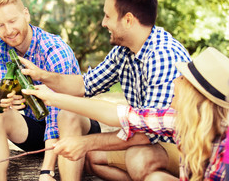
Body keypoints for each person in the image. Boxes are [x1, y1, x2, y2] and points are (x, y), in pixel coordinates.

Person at [18, 0, 192, 180]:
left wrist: (84, 142)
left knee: (139, 158)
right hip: (145, 133)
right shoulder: (123, 51)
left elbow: (146, 132)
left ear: (128, 20)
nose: (103, 23)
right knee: (92, 157)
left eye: (108, 16)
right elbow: (84, 85)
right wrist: (43, 76)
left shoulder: (163, 55)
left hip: (179, 144)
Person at [23, 46, 229, 180]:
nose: (175, 80)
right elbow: (116, 113)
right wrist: (52, 98)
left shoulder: (224, 153)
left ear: (196, 96)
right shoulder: (177, 120)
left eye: (182, 79)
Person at [0, 0, 90, 181]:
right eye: (0, 25)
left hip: (72, 127)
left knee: (67, 115)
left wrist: (47, 170)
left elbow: (60, 108)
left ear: (26, 14)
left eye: (12, 21)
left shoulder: (54, 49)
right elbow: (1, 87)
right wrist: (8, 98)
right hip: (37, 129)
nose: (8, 31)